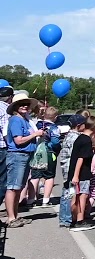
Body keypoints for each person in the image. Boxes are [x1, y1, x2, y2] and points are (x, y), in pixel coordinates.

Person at [4, 91, 44, 228]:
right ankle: (11, 218)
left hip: (25, 155)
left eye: (26, 104)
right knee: (13, 187)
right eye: (21, 104)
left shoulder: (25, 120)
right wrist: (35, 134)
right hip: (17, 156)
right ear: (15, 106)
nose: (25, 106)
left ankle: (15, 216)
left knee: (19, 187)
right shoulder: (16, 120)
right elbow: (18, 140)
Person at [67, 114, 95, 231]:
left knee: (76, 196)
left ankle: (74, 219)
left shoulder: (80, 138)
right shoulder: (86, 140)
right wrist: (76, 175)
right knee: (82, 196)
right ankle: (79, 221)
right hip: (81, 174)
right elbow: (81, 159)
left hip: (77, 173)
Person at [30, 105, 61, 207]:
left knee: (35, 175)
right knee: (49, 176)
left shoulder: (36, 125)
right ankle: (46, 200)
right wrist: (57, 148)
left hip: (37, 152)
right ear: (55, 117)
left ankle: (31, 199)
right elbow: (55, 142)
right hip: (49, 152)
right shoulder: (54, 128)